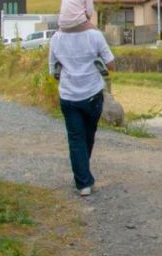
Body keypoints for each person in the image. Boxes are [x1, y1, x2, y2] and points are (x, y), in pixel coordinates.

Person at [48, 19, 115, 197]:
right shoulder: (95, 35)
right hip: (92, 94)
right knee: (87, 136)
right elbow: (111, 64)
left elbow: (53, 70)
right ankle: (83, 177)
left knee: (76, 139)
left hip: (68, 96)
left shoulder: (56, 38)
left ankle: (83, 181)